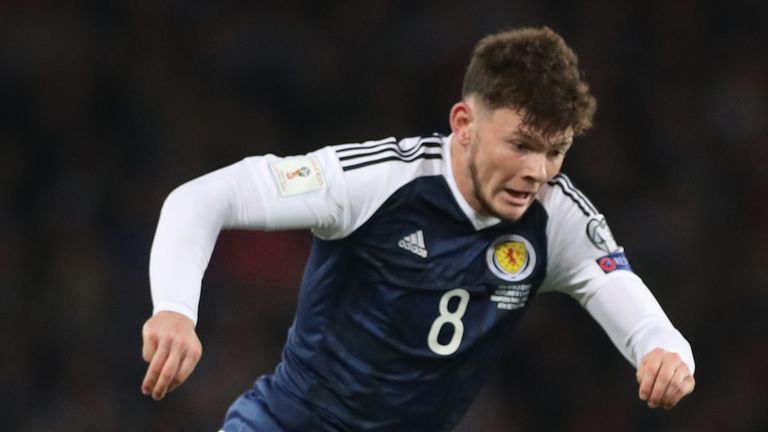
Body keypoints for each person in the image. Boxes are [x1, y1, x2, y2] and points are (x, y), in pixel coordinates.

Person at [140, 27, 695, 431]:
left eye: (556, 151)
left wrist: (666, 351)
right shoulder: (378, 181)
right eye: (521, 145)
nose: (538, 171)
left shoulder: (558, 217)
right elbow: (203, 198)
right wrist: (175, 309)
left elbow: (638, 314)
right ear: (464, 125)